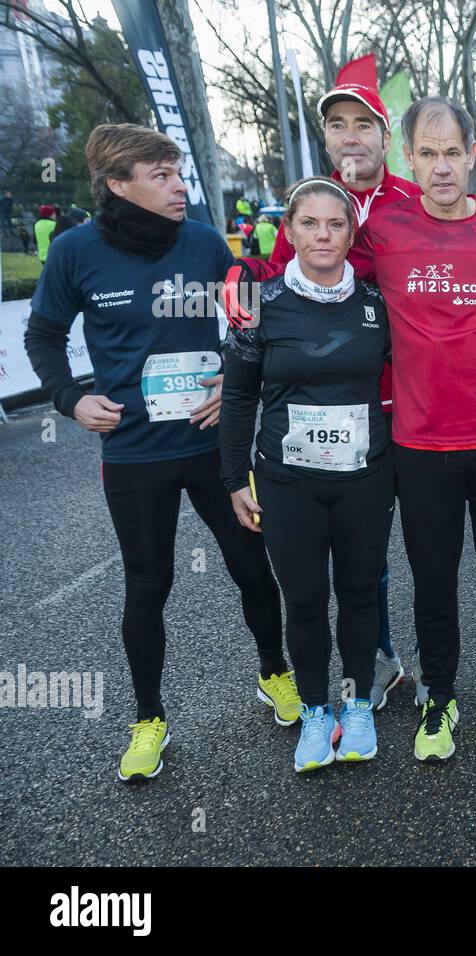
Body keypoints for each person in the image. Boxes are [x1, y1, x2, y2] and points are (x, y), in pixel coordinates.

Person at [226, 72, 476, 709]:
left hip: (453, 420)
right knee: (385, 560)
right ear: (408, 154)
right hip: (372, 413)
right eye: (337, 125)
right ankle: (381, 672)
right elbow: (293, 273)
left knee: (438, 561)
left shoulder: (446, 212)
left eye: (363, 124)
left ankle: (461, 677)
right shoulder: (370, 220)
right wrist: (242, 273)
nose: (351, 136)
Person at [23, 123, 293, 783]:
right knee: (149, 585)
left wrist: (234, 377)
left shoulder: (203, 242)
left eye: (178, 172)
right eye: (163, 175)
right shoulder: (75, 252)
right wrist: (68, 398)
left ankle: (275, 674)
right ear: (120, 184)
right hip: (135, 452)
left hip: (211, 444)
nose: (180, 186)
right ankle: (149, 718)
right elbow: (43, 334)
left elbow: (254, 316)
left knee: (252, 566)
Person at [343, 96, 476, 759]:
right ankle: (440, 694)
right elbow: (319, 267)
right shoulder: (384, 231)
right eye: (426, 153)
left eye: (452, 152)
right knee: (434, 578)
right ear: (408, 159)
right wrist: (245, 291)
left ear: (472, 155)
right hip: (422, 444)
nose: (441, 166)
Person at [221, 178, 393, 772]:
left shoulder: (375, 305)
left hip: (364, 480)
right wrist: (233, 478)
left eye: (336, 224)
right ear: (288, 231)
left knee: (359, 594)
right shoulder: (260, 305)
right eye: (310, 224)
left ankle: (359, 704)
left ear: (351, 233)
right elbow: (240, 398)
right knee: (305, 599)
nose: (323, 235)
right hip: (287, 482)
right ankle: (317, 712)